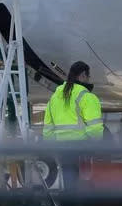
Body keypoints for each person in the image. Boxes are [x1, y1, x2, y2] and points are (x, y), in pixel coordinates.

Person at [43, 61, 103, 191]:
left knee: (69, 183)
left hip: (62, 148)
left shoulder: (55, 97)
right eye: (88, 76)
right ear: (82, 76)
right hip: (81, 147)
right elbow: (95, 128)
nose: (88, 79)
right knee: (84, 185)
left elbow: (47, 129)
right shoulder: (86, 97)